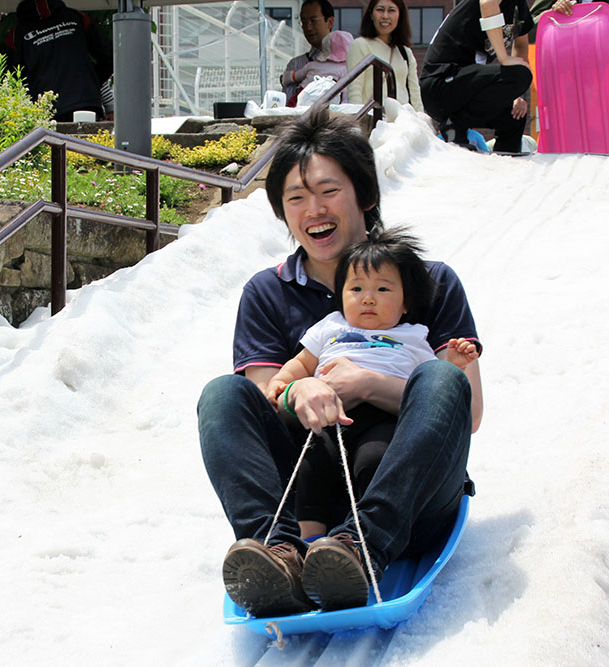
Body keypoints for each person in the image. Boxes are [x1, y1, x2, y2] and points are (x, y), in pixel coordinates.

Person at [198, 105, 483, 617]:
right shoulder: (268, 293)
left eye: (329, 191)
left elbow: (467, 409)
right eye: (296, 198)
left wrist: (370, 384)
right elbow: (267, 395)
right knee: (222, 395)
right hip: (310, 494)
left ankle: (363, 547)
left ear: (366, 195)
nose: (314, 210)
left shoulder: (429, 282)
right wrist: (297, 390)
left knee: (440, 375)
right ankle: (278, 553)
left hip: (412, 499)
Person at [263, 229, 479, 541]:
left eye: (382, 289)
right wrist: (283, 381)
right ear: (342, 296)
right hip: (328, 413)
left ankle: (358, 536)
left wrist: (453, 365)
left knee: (376, 460)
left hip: (383, 418)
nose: (368, 297)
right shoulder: (331, 327)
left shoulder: (414, 336)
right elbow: (303, 363)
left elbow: (431, 394)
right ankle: (305, 541)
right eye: (357, 288)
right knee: (312, 460)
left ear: (405, 303)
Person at [419, 0, 535, 152]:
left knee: (514, 114)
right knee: (520, 75)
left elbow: (520, 46)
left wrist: (516, 95)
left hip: (466, 84)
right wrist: (503, 57)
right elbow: (488, 3)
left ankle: (506, 161)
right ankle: (455, 125)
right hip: (441, 83)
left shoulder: (519, 9)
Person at [8, 0, 113, 122]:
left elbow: (11, 79)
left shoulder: (16, 35)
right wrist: (88, 78)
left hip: (45, 110)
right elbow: (110, 56)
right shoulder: (77, 17)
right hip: (85, 102)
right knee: (86, 140)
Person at [345, 0, 424, 111]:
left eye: (391, 10)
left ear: (400, 15)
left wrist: (421, 121)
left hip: (402, 122)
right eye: (380, 10)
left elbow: (415, 95)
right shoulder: (360, 45)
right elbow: (354, 92)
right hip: (374, 122)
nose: (385, 16)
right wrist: (358, 122)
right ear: (371, 15)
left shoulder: (405, 52)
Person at [281, 0, 336, 105]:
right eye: (304, 22)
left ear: (330, 22)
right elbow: (287, 107)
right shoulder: (296, 64)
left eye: (313, 21)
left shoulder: (348, 60)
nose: (308, 27)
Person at [289, 31, 354, 106]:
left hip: (304, 94)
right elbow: (345, 94)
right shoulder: (345, 69)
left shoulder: (313, 65)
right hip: (328, 99)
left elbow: (295, 76)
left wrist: (285, 78)